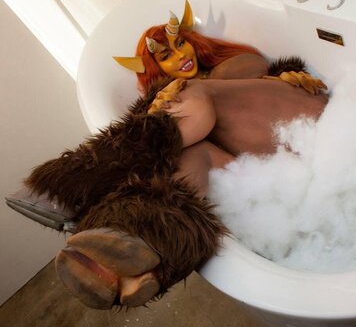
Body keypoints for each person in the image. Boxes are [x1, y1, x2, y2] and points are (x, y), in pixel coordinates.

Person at [26, 76, 328, 310]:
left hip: (312, 141)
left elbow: (235, 71)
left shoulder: (199, 85)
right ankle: (138, 244)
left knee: (189, 118)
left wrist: (191, 85)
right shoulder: (193, 109)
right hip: (292, 165)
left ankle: (71, 186)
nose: (178, 57)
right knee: (191, 151)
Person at [113, 0, 322, 94]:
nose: (180, 55)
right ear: (155, 69)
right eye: (166, 56)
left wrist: (279, 80)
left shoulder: (225, 69)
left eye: (181, 44)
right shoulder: (176, 103)